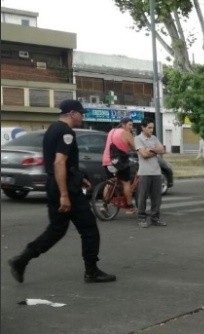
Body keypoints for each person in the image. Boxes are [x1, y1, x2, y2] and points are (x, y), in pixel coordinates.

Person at [7, 99, 116, 284]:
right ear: (72, 113)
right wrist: (65, 194)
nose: (83, 116)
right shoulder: (66, 132)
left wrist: (78, 175)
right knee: (89, 229)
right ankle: (91, 271)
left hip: (56, 183)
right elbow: (59, 161)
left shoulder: (52, 129)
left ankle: (22, 259)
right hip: (65, 188)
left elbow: (61, 162)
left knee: (56, 230)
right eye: (81, 113)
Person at [134, 117, 167, 228]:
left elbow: (163, 149)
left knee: (156, 198)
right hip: (144, 172)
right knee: (142, 197)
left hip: (156, 172)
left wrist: (150, 150)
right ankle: (141, 218)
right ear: (143, 127)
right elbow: (144, 154)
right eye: (149, 128)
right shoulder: (138, 139)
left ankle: (155, 218)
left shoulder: (154, 138)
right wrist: (155, 150)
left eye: (152, 128)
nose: (151, 130)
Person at [102, 117, 136, 214]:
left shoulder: (111, 131)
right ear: (123, 124)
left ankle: (104, 205)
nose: (131, 127)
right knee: (126, 183)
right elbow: (135, 147)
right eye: (129, 125)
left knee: (109, 183)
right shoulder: (126, 133)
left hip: (107, 160)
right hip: (119, 162)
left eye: (132, 125)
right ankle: (130, 206)